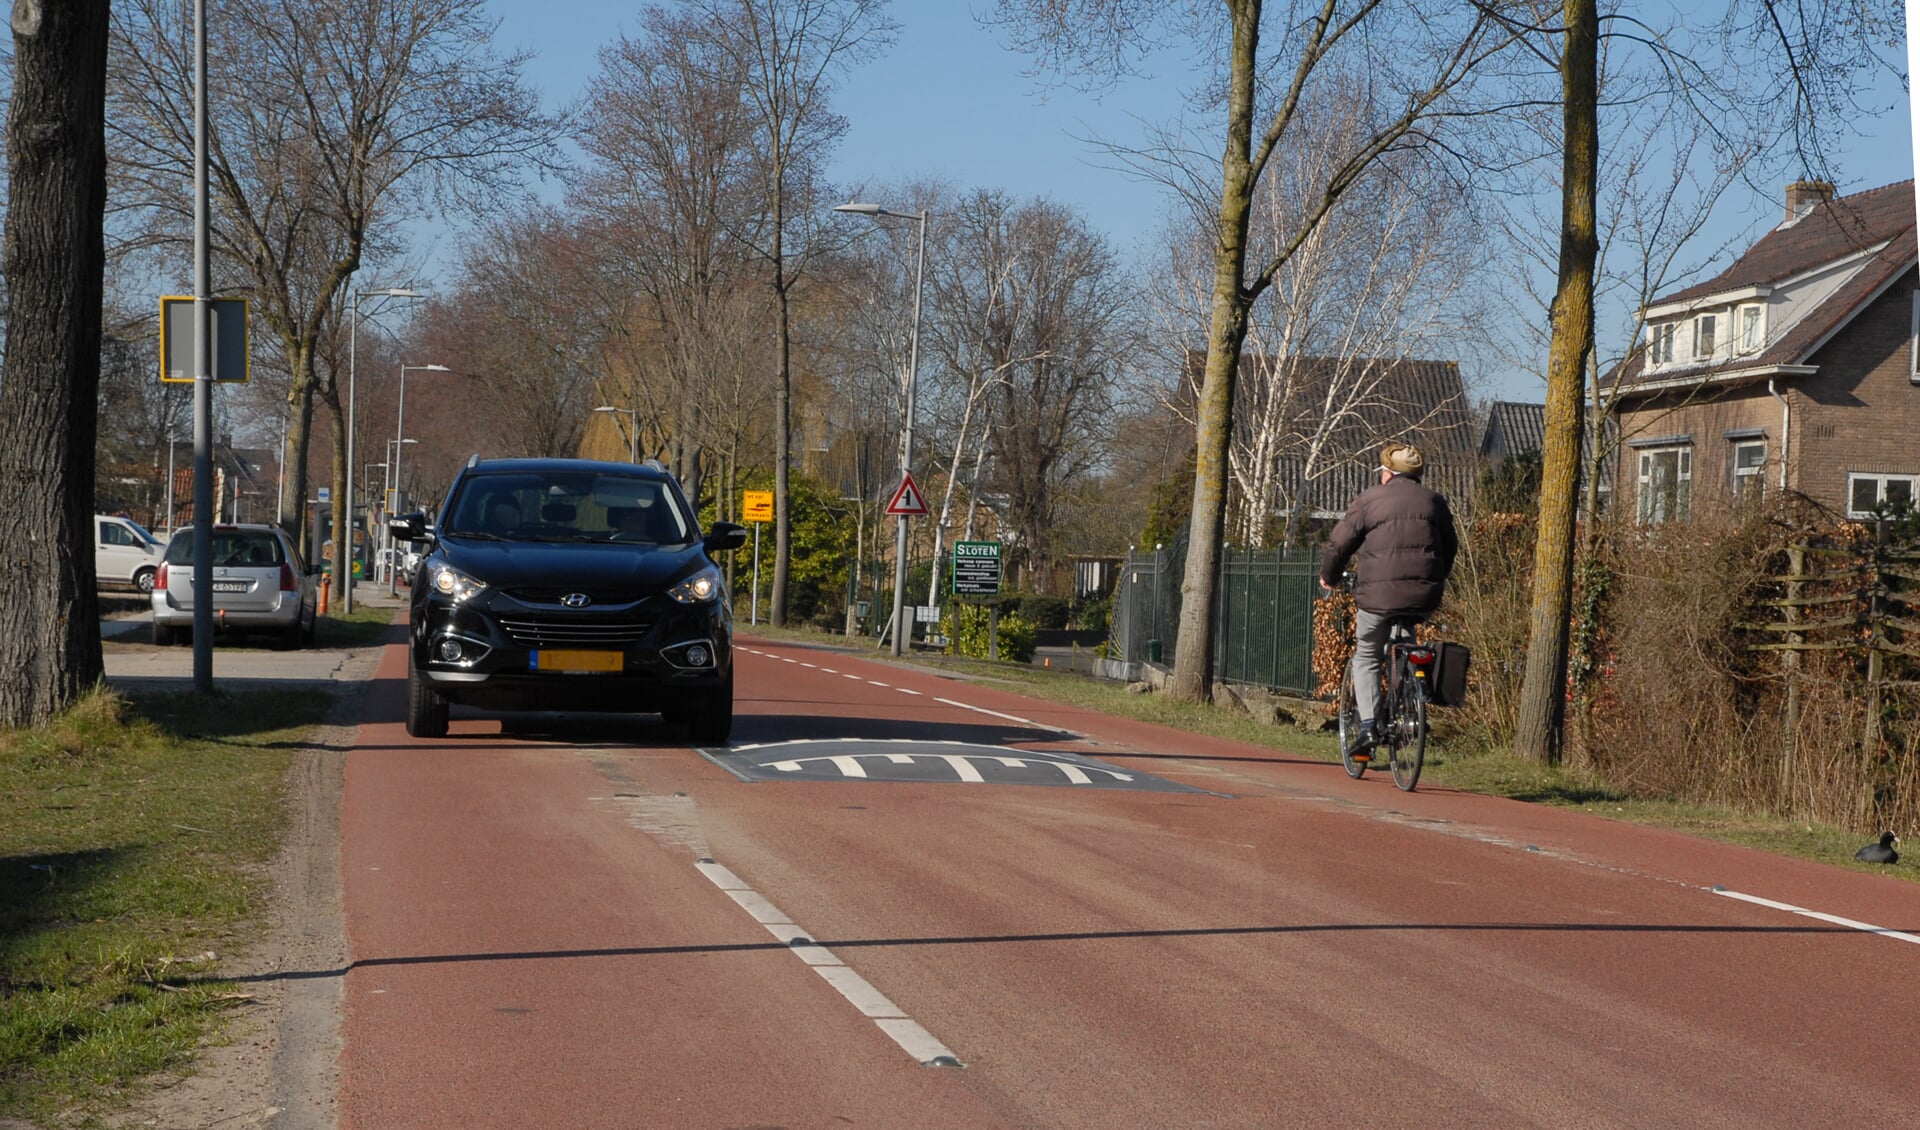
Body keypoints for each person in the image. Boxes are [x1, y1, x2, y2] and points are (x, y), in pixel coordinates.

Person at [1318, 441, 1459, 754]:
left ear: (1388, 473)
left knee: (1367, 653)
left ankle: (1369, 725)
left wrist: (1330, 576)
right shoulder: (1434, 501)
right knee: (1406, 641)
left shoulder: (1370, 499)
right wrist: (1435, 576)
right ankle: (1406, 701)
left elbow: (1339, 545)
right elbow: (1450, 547)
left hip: (1377, 598)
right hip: (1424, 596)